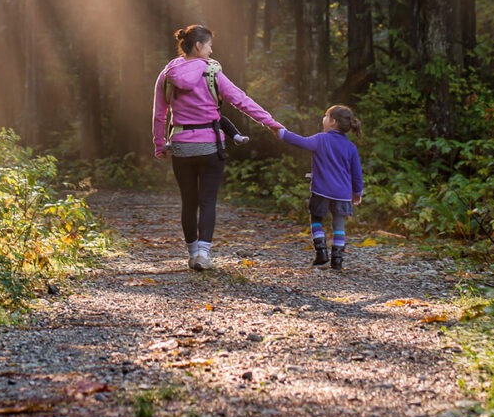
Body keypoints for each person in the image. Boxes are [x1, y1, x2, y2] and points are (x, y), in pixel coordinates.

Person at [153, 23, 282, 271]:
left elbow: (160, 114)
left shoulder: (167, 73)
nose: (211, 51)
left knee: (188, 202)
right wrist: (271, 123)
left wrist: (160, 144)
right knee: (207, 201)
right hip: (210, 146)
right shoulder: (212, 73)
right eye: (210, 45)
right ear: (199, 46)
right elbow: (241, 100)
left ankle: (192, 254)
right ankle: (204, 254)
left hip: (181, 146)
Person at [277, 104, 363, 270]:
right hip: (343, 194)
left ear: (332, 122)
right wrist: (357, 193)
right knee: (339, 225)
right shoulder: (351, 147)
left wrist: (281, 133)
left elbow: (300, 142)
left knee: (316, 219)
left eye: (326, 116)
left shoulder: (320, 139)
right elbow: (357, 173)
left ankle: (321, 252)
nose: (323, 119)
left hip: (321, 191)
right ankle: (337, 259)